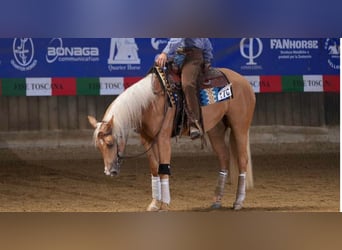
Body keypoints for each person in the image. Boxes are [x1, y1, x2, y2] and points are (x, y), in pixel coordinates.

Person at [155, 38, 213, 139]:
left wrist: (165, 53)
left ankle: (194, 123)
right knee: (157, 76)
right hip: (177, 56)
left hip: (192, 57)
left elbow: (178, 38)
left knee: (187, 84)